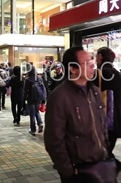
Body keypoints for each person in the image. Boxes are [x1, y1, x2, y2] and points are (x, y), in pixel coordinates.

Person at [45, 46, 113, 183]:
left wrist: (106, 152)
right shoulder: (59, 97)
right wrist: (68, 171)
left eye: (92, 61)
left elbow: (101, 125)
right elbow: (53, 140)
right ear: (73, 68)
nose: (92, 66)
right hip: (78, 172)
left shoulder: (94, 91)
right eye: (87, 63)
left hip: (100, 164)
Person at [93, 47, 121, 159]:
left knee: (99, 154)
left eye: (96, 56)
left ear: (100, 57)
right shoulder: (120, 76)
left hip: (96, 122)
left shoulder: (95, 75)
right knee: (107, 151)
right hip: (115, 122)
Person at [23, 65, 45, 136]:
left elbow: (25, 91)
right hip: (38, 98)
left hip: (31, 98)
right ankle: (40, 123)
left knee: (32, 114)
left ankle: (33, 129)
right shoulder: (39, 78)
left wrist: (24, 99)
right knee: (37, 111)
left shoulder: (28, 80)